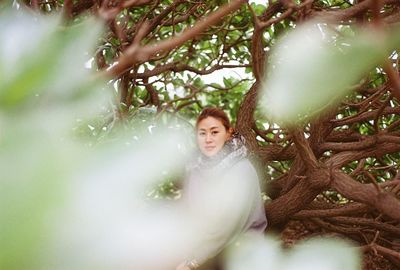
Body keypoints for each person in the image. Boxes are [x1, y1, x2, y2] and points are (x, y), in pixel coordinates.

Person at [177, 107, 267, 270]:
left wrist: (192, 262)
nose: (208, 139)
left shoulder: (241, 170)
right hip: (203, 247)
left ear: (228, 134)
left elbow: (225, 227)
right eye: (202, 133)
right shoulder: (196, 166)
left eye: (214, 132)